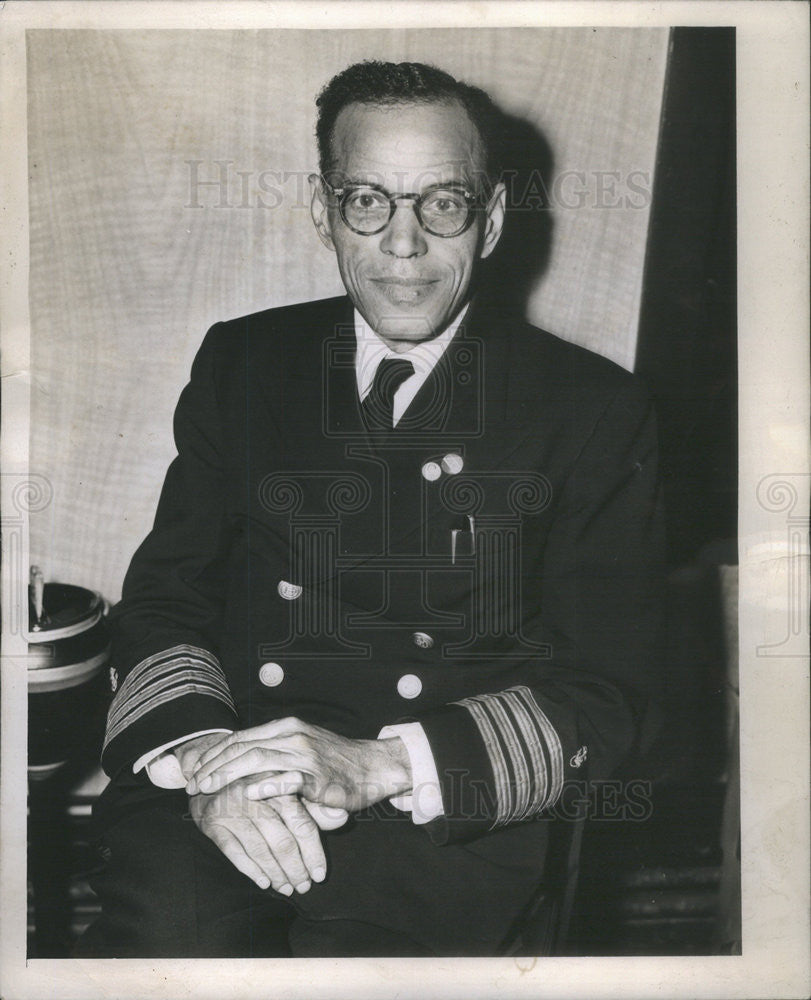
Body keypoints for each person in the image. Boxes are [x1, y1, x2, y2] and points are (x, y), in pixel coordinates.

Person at [79, 60, 664, 958]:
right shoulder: (245, 363)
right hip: (233, 771)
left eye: (442, 204)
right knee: (165, 942)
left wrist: (377, 764)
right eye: (366, 201)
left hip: (437, 812)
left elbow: (609, 689)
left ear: (493, 218)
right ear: (324, 212)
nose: (403, 244)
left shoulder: (589, 410)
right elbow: (166, 598)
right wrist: (209, 766)